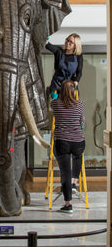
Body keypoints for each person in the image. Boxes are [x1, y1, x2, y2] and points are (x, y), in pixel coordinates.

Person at [51, 79, 85, 213]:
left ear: (61, 92)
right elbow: (82, 123)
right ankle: (74, 182)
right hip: (78, 142)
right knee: (77, 156)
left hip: (62, 142)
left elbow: (53, 96)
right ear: (74, 92)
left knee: (65, 172)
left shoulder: (55, 104)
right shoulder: (80, 105)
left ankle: (68, 204)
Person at [46, 33, 83, 98]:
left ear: (75, 45)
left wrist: (76, 81)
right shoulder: (59, 52)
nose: (67, 43)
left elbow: (79, 72)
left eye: (70, 42)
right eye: (67, 40)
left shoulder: (78, 56)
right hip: (57, 84)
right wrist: (46, 38)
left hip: (70, 85)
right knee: (57, 104)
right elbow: (47, 45)